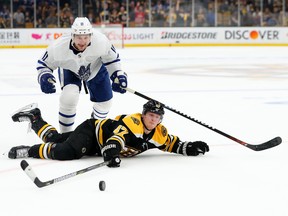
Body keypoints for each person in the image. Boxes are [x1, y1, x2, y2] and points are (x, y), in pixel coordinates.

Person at [8, 100, 209, 167]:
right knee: (66, 152)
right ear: (143, 114)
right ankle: (30, 150)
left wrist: (189, 147)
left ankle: (35, 117)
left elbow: (171, 143)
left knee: (55, 139)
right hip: (93, 132)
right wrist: (111, 152)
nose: (153, 120)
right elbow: (116, 139)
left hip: (98, 144)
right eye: (150, 115)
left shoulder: (159, 133)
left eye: (157, 117)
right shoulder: (133, 123)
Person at [36, 17, 127, 133]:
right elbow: (43, 64)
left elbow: (113, 60)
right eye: (79, 37)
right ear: (72, 36)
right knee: (69, 97)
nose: (82, 41)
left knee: (105, 102)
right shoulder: (58, 47)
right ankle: (66, 135)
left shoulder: (101, 41)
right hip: (70, 69)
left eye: (86, 37)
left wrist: (118, 75)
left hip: (96, 68)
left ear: (91, 35)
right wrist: (44, 76)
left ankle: (94, 131)